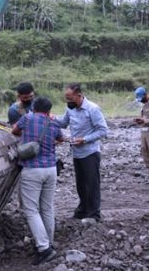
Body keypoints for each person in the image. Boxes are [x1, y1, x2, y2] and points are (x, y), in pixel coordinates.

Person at [12, 97, 63, 266]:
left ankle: (44, 249)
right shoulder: (54, 122)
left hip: (32, 169)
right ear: (49, 110)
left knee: (32, 210)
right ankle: (48, 242)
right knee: (47, 208)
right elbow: (60, 139)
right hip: (51, 169)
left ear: (33, 107)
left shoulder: (28, 118)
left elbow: (14, 130)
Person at [56, 83, 108, 221]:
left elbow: (103, 130)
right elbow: (63, 123)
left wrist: (84, 139)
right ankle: (83, 210)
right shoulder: (70, 109)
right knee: (80, 184)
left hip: (90, 152)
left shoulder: (93, 109)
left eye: (70, 98)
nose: (68, 102)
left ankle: (94, 214)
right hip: (76, 152)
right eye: (66, 99)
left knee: (92, 184)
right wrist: (49, 117)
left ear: (79, 96)